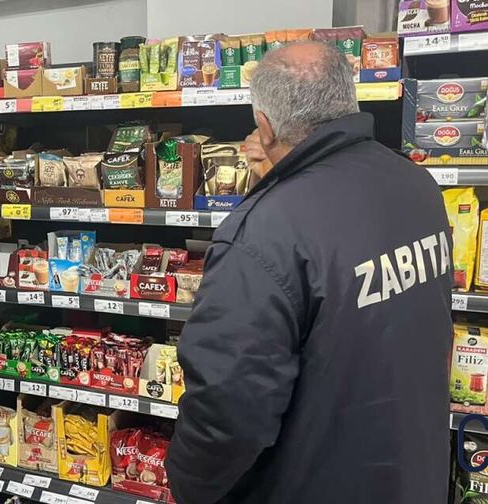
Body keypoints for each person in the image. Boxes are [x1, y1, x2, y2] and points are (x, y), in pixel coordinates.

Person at [166, 41, 452, 504]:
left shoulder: (264, 231)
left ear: (264, 125)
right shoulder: (416, 184)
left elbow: (228, 407)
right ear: (348, 100)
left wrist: (188, 485)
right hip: (413, 473)